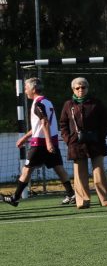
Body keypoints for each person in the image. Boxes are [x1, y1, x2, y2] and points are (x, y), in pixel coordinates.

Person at [3, 77, 76, 208]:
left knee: (26, 169)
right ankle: (72, 194)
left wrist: (47, 143)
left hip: (40, 144)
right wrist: (24, 138)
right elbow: (39, 125)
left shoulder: (38, 103)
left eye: (26, 88)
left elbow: (44, 122)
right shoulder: (47, 102)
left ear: (33, 89)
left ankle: (15, 198)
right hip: (50, 140)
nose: (25, 91)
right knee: (58, 167)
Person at [59, 77, 107, 208]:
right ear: (73, 89)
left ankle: (106, 200)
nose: (80, 90)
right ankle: (82, 201)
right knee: (79, 173)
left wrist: (100, 136)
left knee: (99, 172)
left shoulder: (96, 103)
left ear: (87, 88)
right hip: (76, 144)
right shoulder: (68, 105)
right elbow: (63, 124)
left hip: (96, 142)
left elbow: (105, 122)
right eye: (77, 88)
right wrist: (68, 139)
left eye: (83, 87)